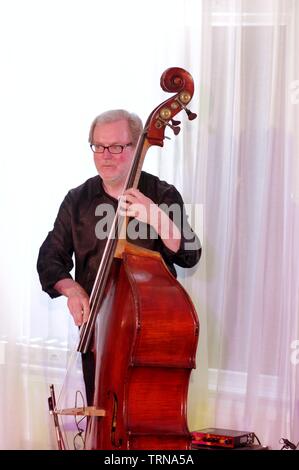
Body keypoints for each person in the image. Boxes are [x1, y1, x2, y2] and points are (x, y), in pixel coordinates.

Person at [37, 109, 201, 404]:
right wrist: (72, 289)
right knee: (100, 416)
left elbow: (190, 255)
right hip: (97, 336)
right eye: (98, 146)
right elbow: (50, 259)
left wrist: (159, 218)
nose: (105, 155)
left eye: (116, 147)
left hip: (150, 337)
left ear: (138, 146)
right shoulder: (77, 200)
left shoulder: (162, 195)